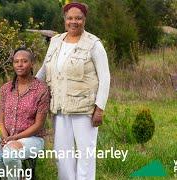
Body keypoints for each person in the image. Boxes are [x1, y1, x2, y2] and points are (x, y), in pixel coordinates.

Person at [36, 2, 110, 180]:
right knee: (62, 154)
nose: (73, 22)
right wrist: (26, 87)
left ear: (84, 20)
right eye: (70, 18)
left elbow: (105, 77)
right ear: (64, 20)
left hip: (84, 109)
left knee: (86, 154)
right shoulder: (55, 41)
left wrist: (99, 108)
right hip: (59, 107)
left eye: (78, 18)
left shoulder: (93, 44)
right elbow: (44, 70)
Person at [0, 47, 50, 180]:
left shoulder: (41, 90)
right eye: (16, 61)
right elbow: (1, 120)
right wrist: (5, 137)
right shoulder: (6, 89)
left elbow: (39, 125)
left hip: (33, 139)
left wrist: (14, 138)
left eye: (24, 61)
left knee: (9, 154)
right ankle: (19, 177)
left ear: (32, 64)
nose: (20, 64)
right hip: (7, 137)